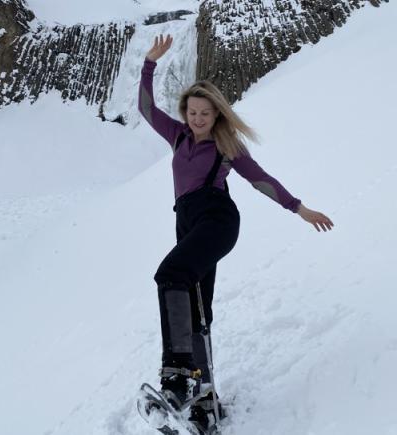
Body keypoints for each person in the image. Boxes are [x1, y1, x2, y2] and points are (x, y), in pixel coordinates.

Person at [138, 34, 334, 432]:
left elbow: (261, 180)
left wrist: (299, 208)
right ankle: (205, 402)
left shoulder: (226, 146)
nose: (197, 119)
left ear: (217, 115)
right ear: (185, 112)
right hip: (187, 224)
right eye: (192, 112)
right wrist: (149, 64)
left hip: (217, 221)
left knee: (170, 274)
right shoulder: (177, 136)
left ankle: (177, 379)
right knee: (197, 309)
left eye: (205, 114)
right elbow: (145, 108)